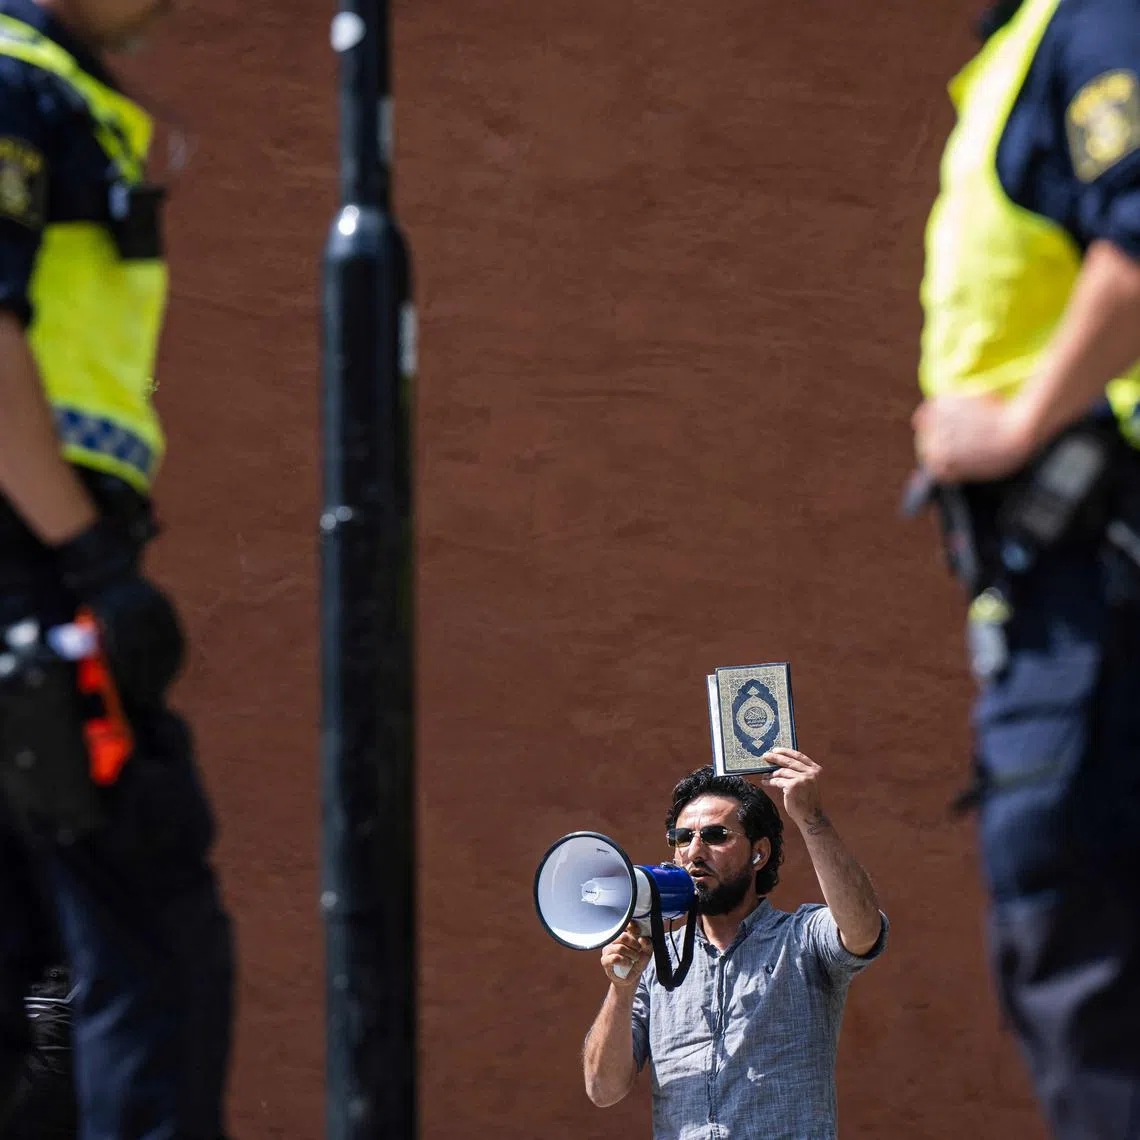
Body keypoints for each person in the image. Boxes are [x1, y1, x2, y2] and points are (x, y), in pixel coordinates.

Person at [0, 1, 236, 1138]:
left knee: (36, 975)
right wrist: (88, 562)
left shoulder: (57, 85)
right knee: (148, 941)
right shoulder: (16, 80)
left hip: (39, 561)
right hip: (34, 565)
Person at [908, 1, 1140, 1136]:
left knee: (1093, 986)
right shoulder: (1019, 55)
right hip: (1062, 603)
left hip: (1102, 596)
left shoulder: (1097, 24)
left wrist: (1015, 428)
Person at [582, 750, 887, 1140]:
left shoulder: (801, 938)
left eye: (715, 836)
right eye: (682, 837)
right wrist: (621, 990)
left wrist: (811, 819)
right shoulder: (656, 959)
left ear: (759, 853)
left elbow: (862, 931)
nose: (694, 851)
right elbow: (603, 1090)